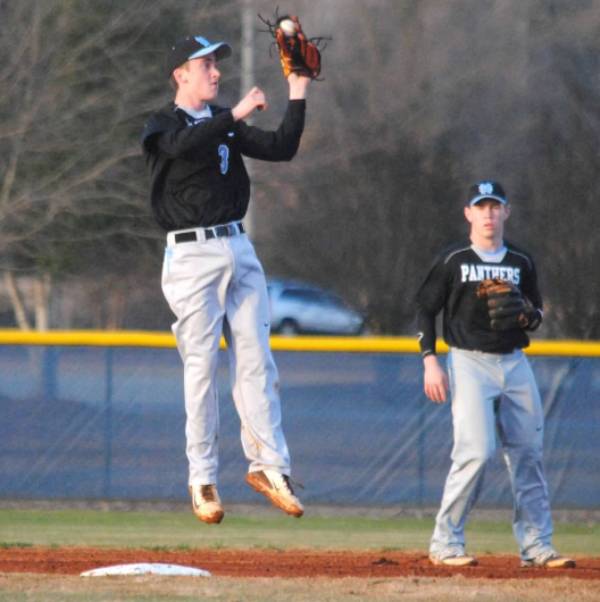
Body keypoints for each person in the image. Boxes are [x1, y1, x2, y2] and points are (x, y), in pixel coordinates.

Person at [141, 35, 310, 524]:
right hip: (191, 255)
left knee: (258, 363)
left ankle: (269, 467)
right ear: (181, 74)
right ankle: (202, 478)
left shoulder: (224, 126)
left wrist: (297, 90)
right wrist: (234, 115)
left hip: (238, 246)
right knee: (201, 368)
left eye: (217, 64)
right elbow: (182, 145)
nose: (216, 72)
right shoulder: (162, 125)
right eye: (206, 64)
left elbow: (282, 147)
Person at [415, 180, 575, 568]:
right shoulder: (453, 258)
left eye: (495, 206)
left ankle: (537, 547)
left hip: (514, 362)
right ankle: (445, 543)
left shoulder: (520, 261)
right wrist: (429, 360)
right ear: (468, 213)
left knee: (529, 455)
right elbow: (424, 308)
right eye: (480, 206)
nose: (488, 213)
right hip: (469, 361)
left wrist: (529, 316)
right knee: (476, 451)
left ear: (506, 212)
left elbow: (535, 310)